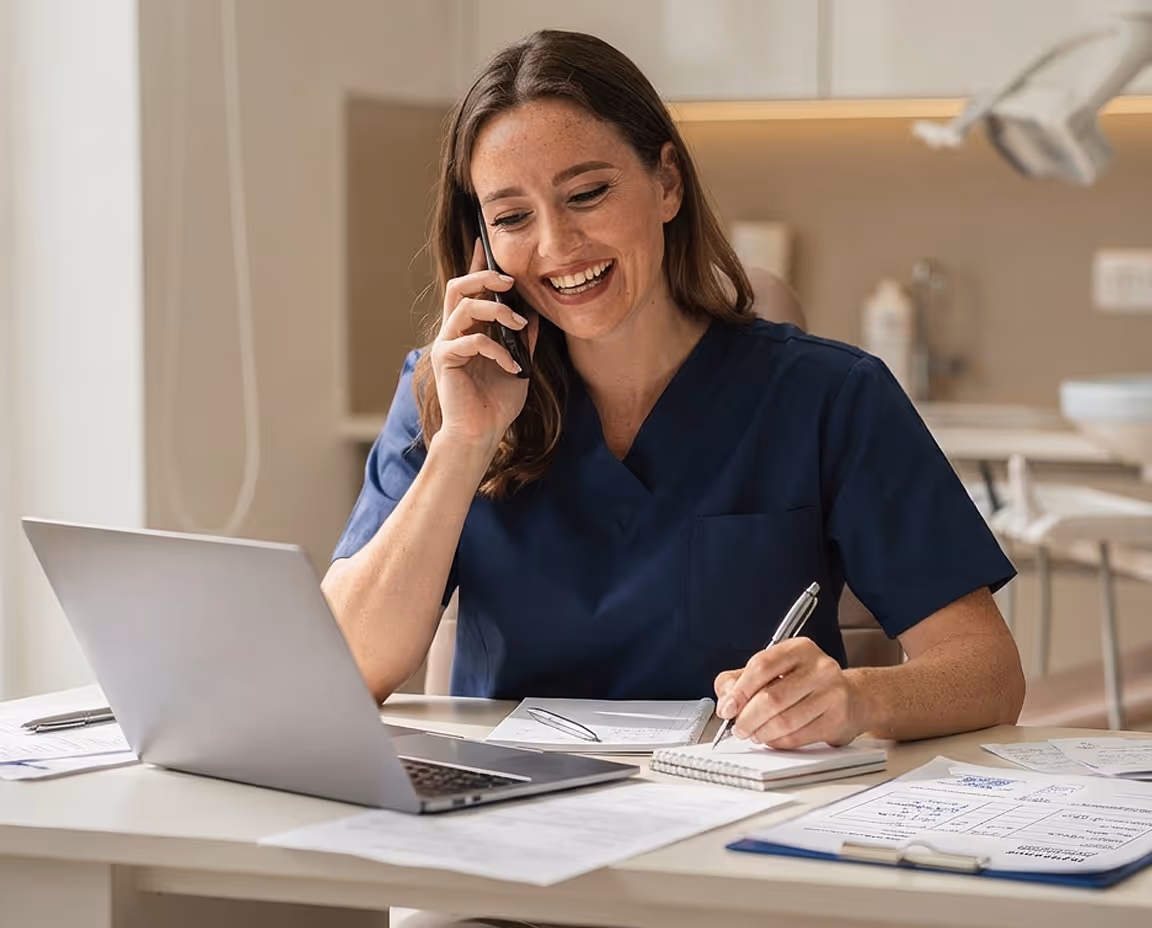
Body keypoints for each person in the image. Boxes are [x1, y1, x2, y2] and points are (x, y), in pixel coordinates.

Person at [322, 28, 1023, 766]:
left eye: (587, 194)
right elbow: (343, 673)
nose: (558, 246)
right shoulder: (447, 391)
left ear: (666, 183)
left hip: (733, 827)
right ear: (483, 243)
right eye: (513, 217)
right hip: (510, 828)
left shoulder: (830, 397)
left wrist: (858, 698)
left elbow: (989, 674)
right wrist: (463, 446)